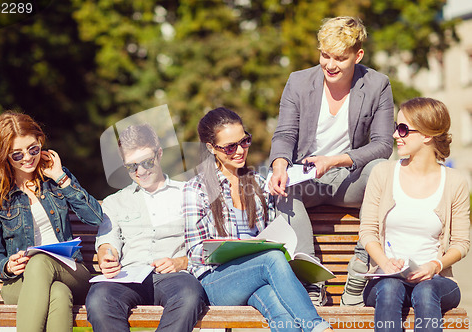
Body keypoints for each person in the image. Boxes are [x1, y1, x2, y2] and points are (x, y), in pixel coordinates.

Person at [268, 16, 394, 306]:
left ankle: (360, 269)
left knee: (383, 171)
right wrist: (279, 165)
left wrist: (334, 160)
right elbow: (285, 133)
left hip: (350, 179)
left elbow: (383, 145)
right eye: (325, 55)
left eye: (339, 58)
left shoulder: (377, 85)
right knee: (282, 187)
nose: (330, 64)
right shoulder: (298, 82)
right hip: (308, 181)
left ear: (357, 55)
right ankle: (312, 280)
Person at [184, 107, 333, 332]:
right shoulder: (196, 189)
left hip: (257, 278)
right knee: (270, 258)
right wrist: (233, 249)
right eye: (229, 147)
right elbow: (195, 252)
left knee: (282, 314)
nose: (239, 151)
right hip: (216, 282)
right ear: (211, 148)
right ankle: (317, 326)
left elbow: (273, 234)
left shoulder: (258, 184)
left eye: (244, 141)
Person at [0, 111, 103, 332]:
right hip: (19, 282)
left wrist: (61, 177)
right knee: (59, 294)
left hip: (71, 271)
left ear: (41, 142)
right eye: (17, 154)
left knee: (40, 262)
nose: (28, 157)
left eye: (33, 149)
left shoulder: (55, 178)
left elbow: (95, 217)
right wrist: (6, 265)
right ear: (2, 154)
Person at [360, 97, 470, 332]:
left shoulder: (455, 182)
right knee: (390, 287)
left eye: (403, 129)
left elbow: (461, 243)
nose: (395, 135)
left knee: (426, 289)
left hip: (437, 281)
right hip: (385, 280)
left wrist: (434, 265)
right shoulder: (383, 173)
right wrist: (386, 264)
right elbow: (367, 232)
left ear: (427, 135)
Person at [85, 124, 207, 332]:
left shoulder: (187, 194)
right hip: (128, 276)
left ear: (159, 154)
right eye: (131, 166)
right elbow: (108, 241)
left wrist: (181, 262)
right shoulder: (115, 202)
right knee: (98, 299)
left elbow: (205, 244)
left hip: (174, 277)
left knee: (190, 296)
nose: (140, 171)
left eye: (146, 162)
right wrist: (107, 255)